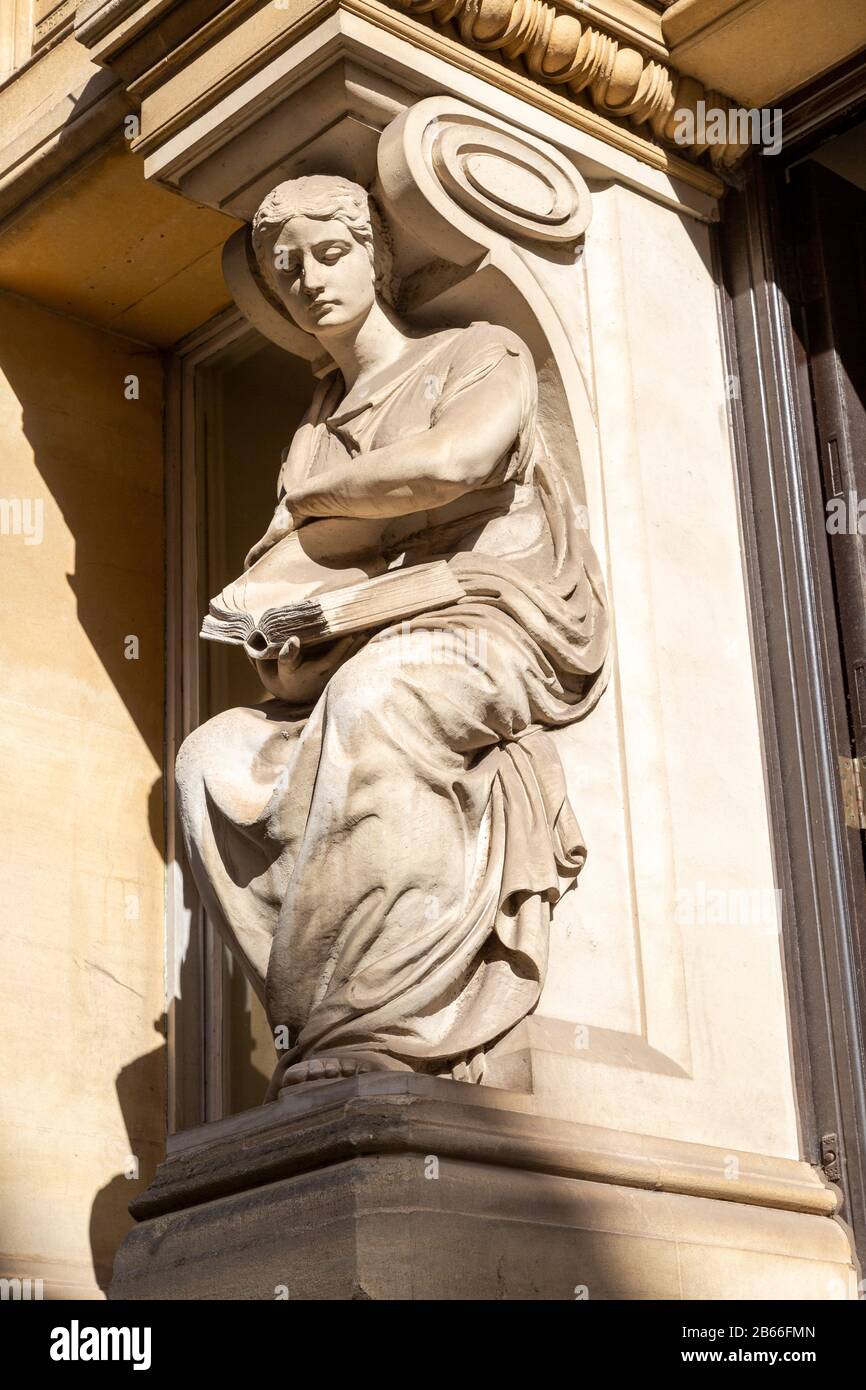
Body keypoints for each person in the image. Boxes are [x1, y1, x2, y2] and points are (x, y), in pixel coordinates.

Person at [176, 175, 609, 1095]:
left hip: (495, 612)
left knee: (382, 696)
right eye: (286, 270)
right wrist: (290, 638)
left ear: (375, 253)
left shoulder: (475, 350)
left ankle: (389, 1025)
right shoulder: (311, 435)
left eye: (331, 254)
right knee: (210, 756)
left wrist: (314, 503)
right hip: (367, 639)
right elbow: (281, 587)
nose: (309, 283)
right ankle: (319, 1011)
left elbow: (455, 463)